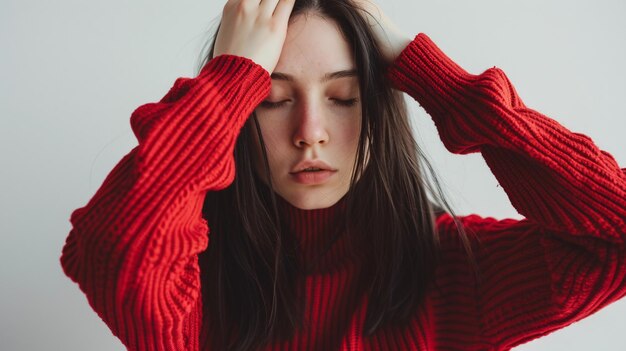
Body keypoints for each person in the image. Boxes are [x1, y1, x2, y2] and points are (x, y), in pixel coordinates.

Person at [60, 0, 626, 350]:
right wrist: (229, 79)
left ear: (380, 112)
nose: (311, 131)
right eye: (274, 101)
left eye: (344, 97)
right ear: (231, 117)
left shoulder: (459, 274)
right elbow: (115, 251)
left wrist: (430, 71)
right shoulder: (192, 285)